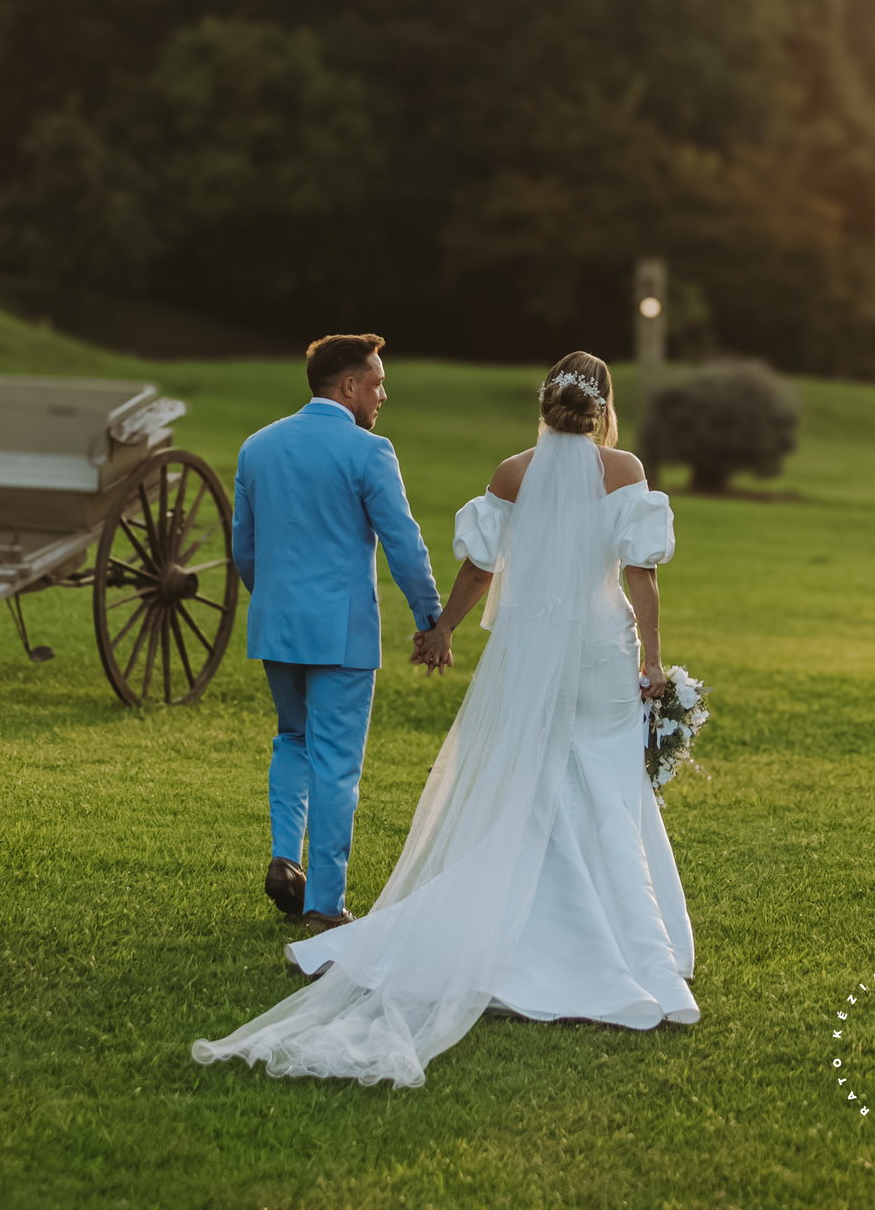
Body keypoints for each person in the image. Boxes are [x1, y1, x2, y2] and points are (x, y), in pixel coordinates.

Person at [194, 350, 699, 1088]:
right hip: (599, 649)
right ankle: (642, 951)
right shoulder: (623, 471)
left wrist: (443, 629)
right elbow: (642, 578)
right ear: (602, 404)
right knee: (609, 783)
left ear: (546, 400)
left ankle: (526, 931)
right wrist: (652, 662)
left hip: (529, 644)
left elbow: (479, 568)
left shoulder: (511, 473)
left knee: (529, 776)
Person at [232, 332, 442, 931]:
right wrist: (431, 619)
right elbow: (403, 544)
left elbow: (244, 547)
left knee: (292, 738)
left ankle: (283, 858)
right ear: (348, 386)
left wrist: (275, 602)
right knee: (337, 764)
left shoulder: (257, 448)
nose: (382, 395)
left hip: (276, 624)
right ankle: (325, 905)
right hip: (342, 632)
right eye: (376, 383)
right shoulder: (369, 452)